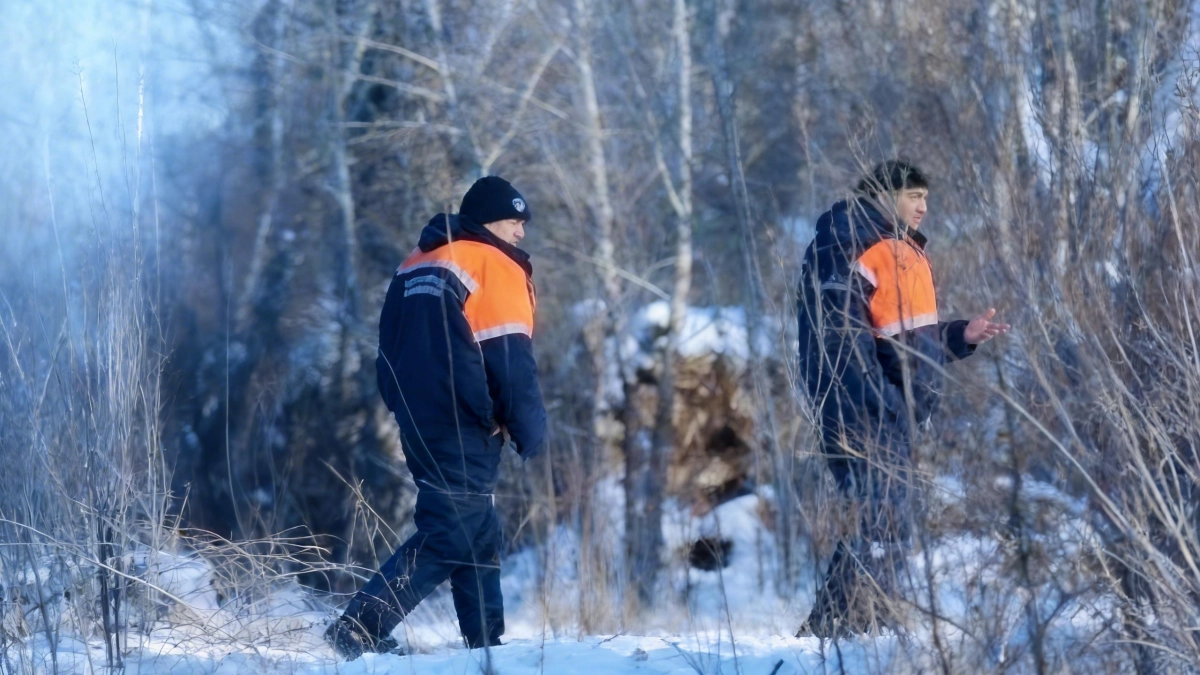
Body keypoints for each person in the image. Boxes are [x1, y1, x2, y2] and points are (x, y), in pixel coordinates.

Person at [325, 176, 546, 659]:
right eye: (514, 221)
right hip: (465, 421)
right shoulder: (492, 263)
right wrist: (529, 427)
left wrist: (397, 401)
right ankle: (359, 627)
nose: (521, 233)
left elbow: (387, 343)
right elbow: (509, 357)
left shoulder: (417, 261)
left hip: (418, 417)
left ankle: (486, 644)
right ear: (489, 221)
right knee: (449, 531)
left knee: (475, 526)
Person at [795, 160, 1009, 637]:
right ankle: (854, 629)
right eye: (915, 195)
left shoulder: (896, 249)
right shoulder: (848, 243)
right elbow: (840, 340)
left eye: (926, 198)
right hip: (863, 411)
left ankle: (839, 629)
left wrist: (958, 335)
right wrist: (881, 402)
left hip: (889, 411)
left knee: (883, 521)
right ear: (885, 194)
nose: (924, 207)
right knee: (882, 520)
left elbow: (904, 342)